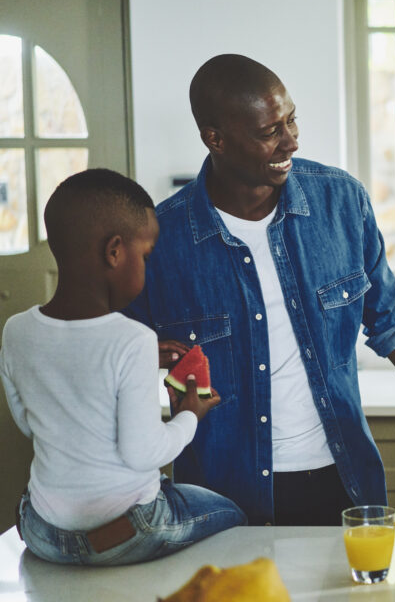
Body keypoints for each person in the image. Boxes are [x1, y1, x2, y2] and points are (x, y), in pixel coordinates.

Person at [124, 54, 395, 526]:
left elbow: (391, 320)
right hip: (221, 495)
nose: (291, 140)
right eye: (270, 131)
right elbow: (118, 357)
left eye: (291, 120)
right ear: (216, 138)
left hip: (345, 479)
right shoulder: (160, 240)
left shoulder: (341, 201)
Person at [0, 169, 245, 566]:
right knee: (233, 515)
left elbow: (32, 422)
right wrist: (189, 415)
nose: (147, 267)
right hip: (129, 533)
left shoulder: (17, 331)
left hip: (46, 533)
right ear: (114, 252)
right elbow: (142, 453)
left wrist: (133, 368)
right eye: (145, 256)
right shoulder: (132, 340)